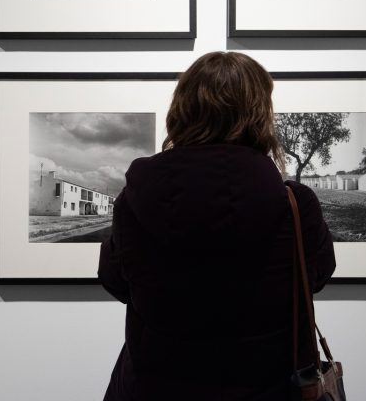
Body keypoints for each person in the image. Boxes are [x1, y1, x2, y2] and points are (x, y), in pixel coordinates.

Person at [99, 51, 336, 401]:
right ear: (260, 114)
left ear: (182, 109)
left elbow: (116, 282)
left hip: (156, 386)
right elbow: (314, 278)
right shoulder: (296, 205)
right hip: (267, 387)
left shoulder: (134, 200)